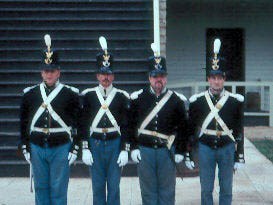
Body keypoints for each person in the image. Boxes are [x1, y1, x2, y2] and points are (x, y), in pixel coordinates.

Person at [19, 34, 80, 205]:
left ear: (58, 72)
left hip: (61, 146)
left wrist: (75, 148)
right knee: (41, 188)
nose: (49, 74)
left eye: (52, 71)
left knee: (59, 189)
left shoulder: (70, 94)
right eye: (46, 71)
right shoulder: (30, 94)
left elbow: (77, 123)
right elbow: (23, 123)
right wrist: (24, 145)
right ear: (41, 72)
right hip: (37, 146)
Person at [129, 45, 190, 205]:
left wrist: (181, 150)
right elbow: (130, 125)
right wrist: (133, 147)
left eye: (162, 76)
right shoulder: (138, 99)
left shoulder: (176, 101)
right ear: (149, 77)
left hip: (166, 152)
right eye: (155, 76)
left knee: (167, 191)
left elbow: (183, 128)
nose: (158, 80)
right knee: (148, 192)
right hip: (145, 151)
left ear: (166, 77)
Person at [188, 39, 245, 205]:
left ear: (224, 79)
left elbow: (239, 130)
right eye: (213, 78)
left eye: (219, 77)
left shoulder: (235, 101)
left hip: (227, 147)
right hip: (205, 148)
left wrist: (239, 155)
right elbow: (191, 129)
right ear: (208, 79)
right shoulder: (197, 101)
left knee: (226, 188)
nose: (216, 81)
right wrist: (188, 153)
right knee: (206, 188)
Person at [79, 36, 130, 205]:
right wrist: (85, 148)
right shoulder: (88, 95)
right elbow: (83, 124)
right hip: (96, 143)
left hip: (115, 143)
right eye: (102, 74)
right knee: (97, 186)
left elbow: (126, 125)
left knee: (114, 187)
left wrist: (125, 149)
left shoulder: (122, 97)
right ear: (97, 75)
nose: (105, 77)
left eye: (108, 74)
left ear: (113, 76)